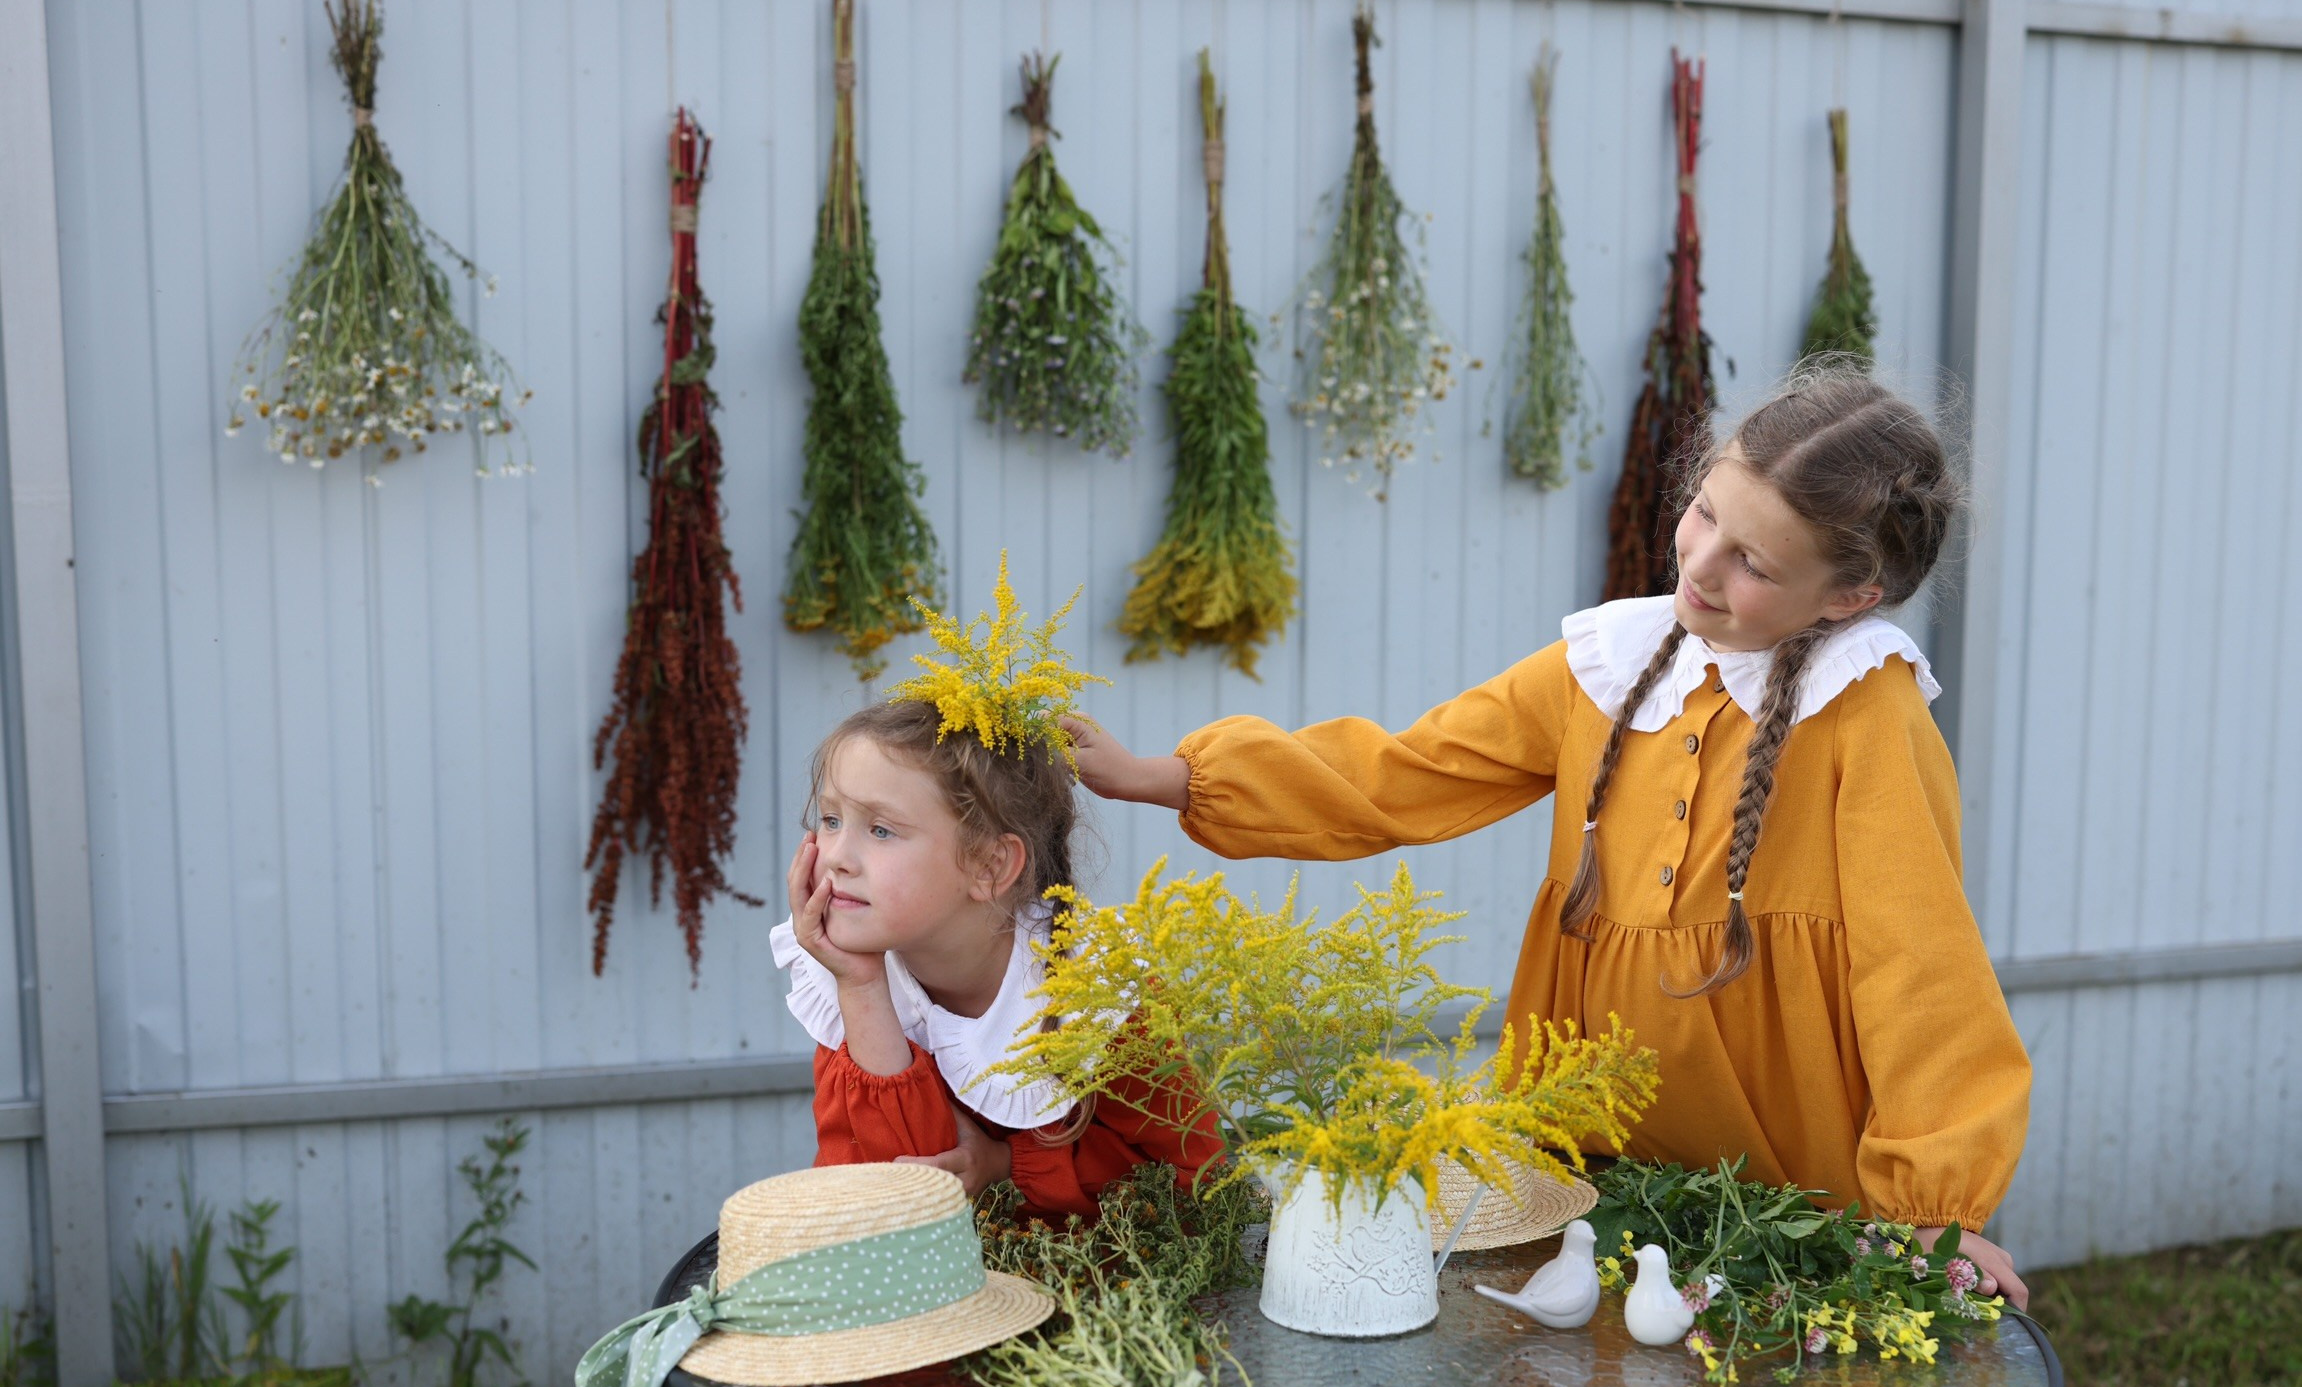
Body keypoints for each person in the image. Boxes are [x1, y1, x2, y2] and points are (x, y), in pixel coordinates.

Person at [1065, 364, 2035, 1306]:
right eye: (1703, 514)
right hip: (1583, 1145)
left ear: (1847, 596)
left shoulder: (1865, 709)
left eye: (1753, 562)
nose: (1697, 564)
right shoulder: (1609, 664)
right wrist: (1169, 779)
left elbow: (1921, 967)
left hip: (1786, 1182)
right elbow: (1404, 774)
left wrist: (1927, 1206)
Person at [777, 567, 1222, 1222]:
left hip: (1103, 1294)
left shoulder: (1098, 991)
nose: (837, 856)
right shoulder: (850, 978)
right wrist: (862, 988)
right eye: (832, 818)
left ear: (989, 866)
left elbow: (1189, 1171)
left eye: (880, 829)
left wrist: (1008, 1165)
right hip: (945, 1302)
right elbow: (882, 1198)